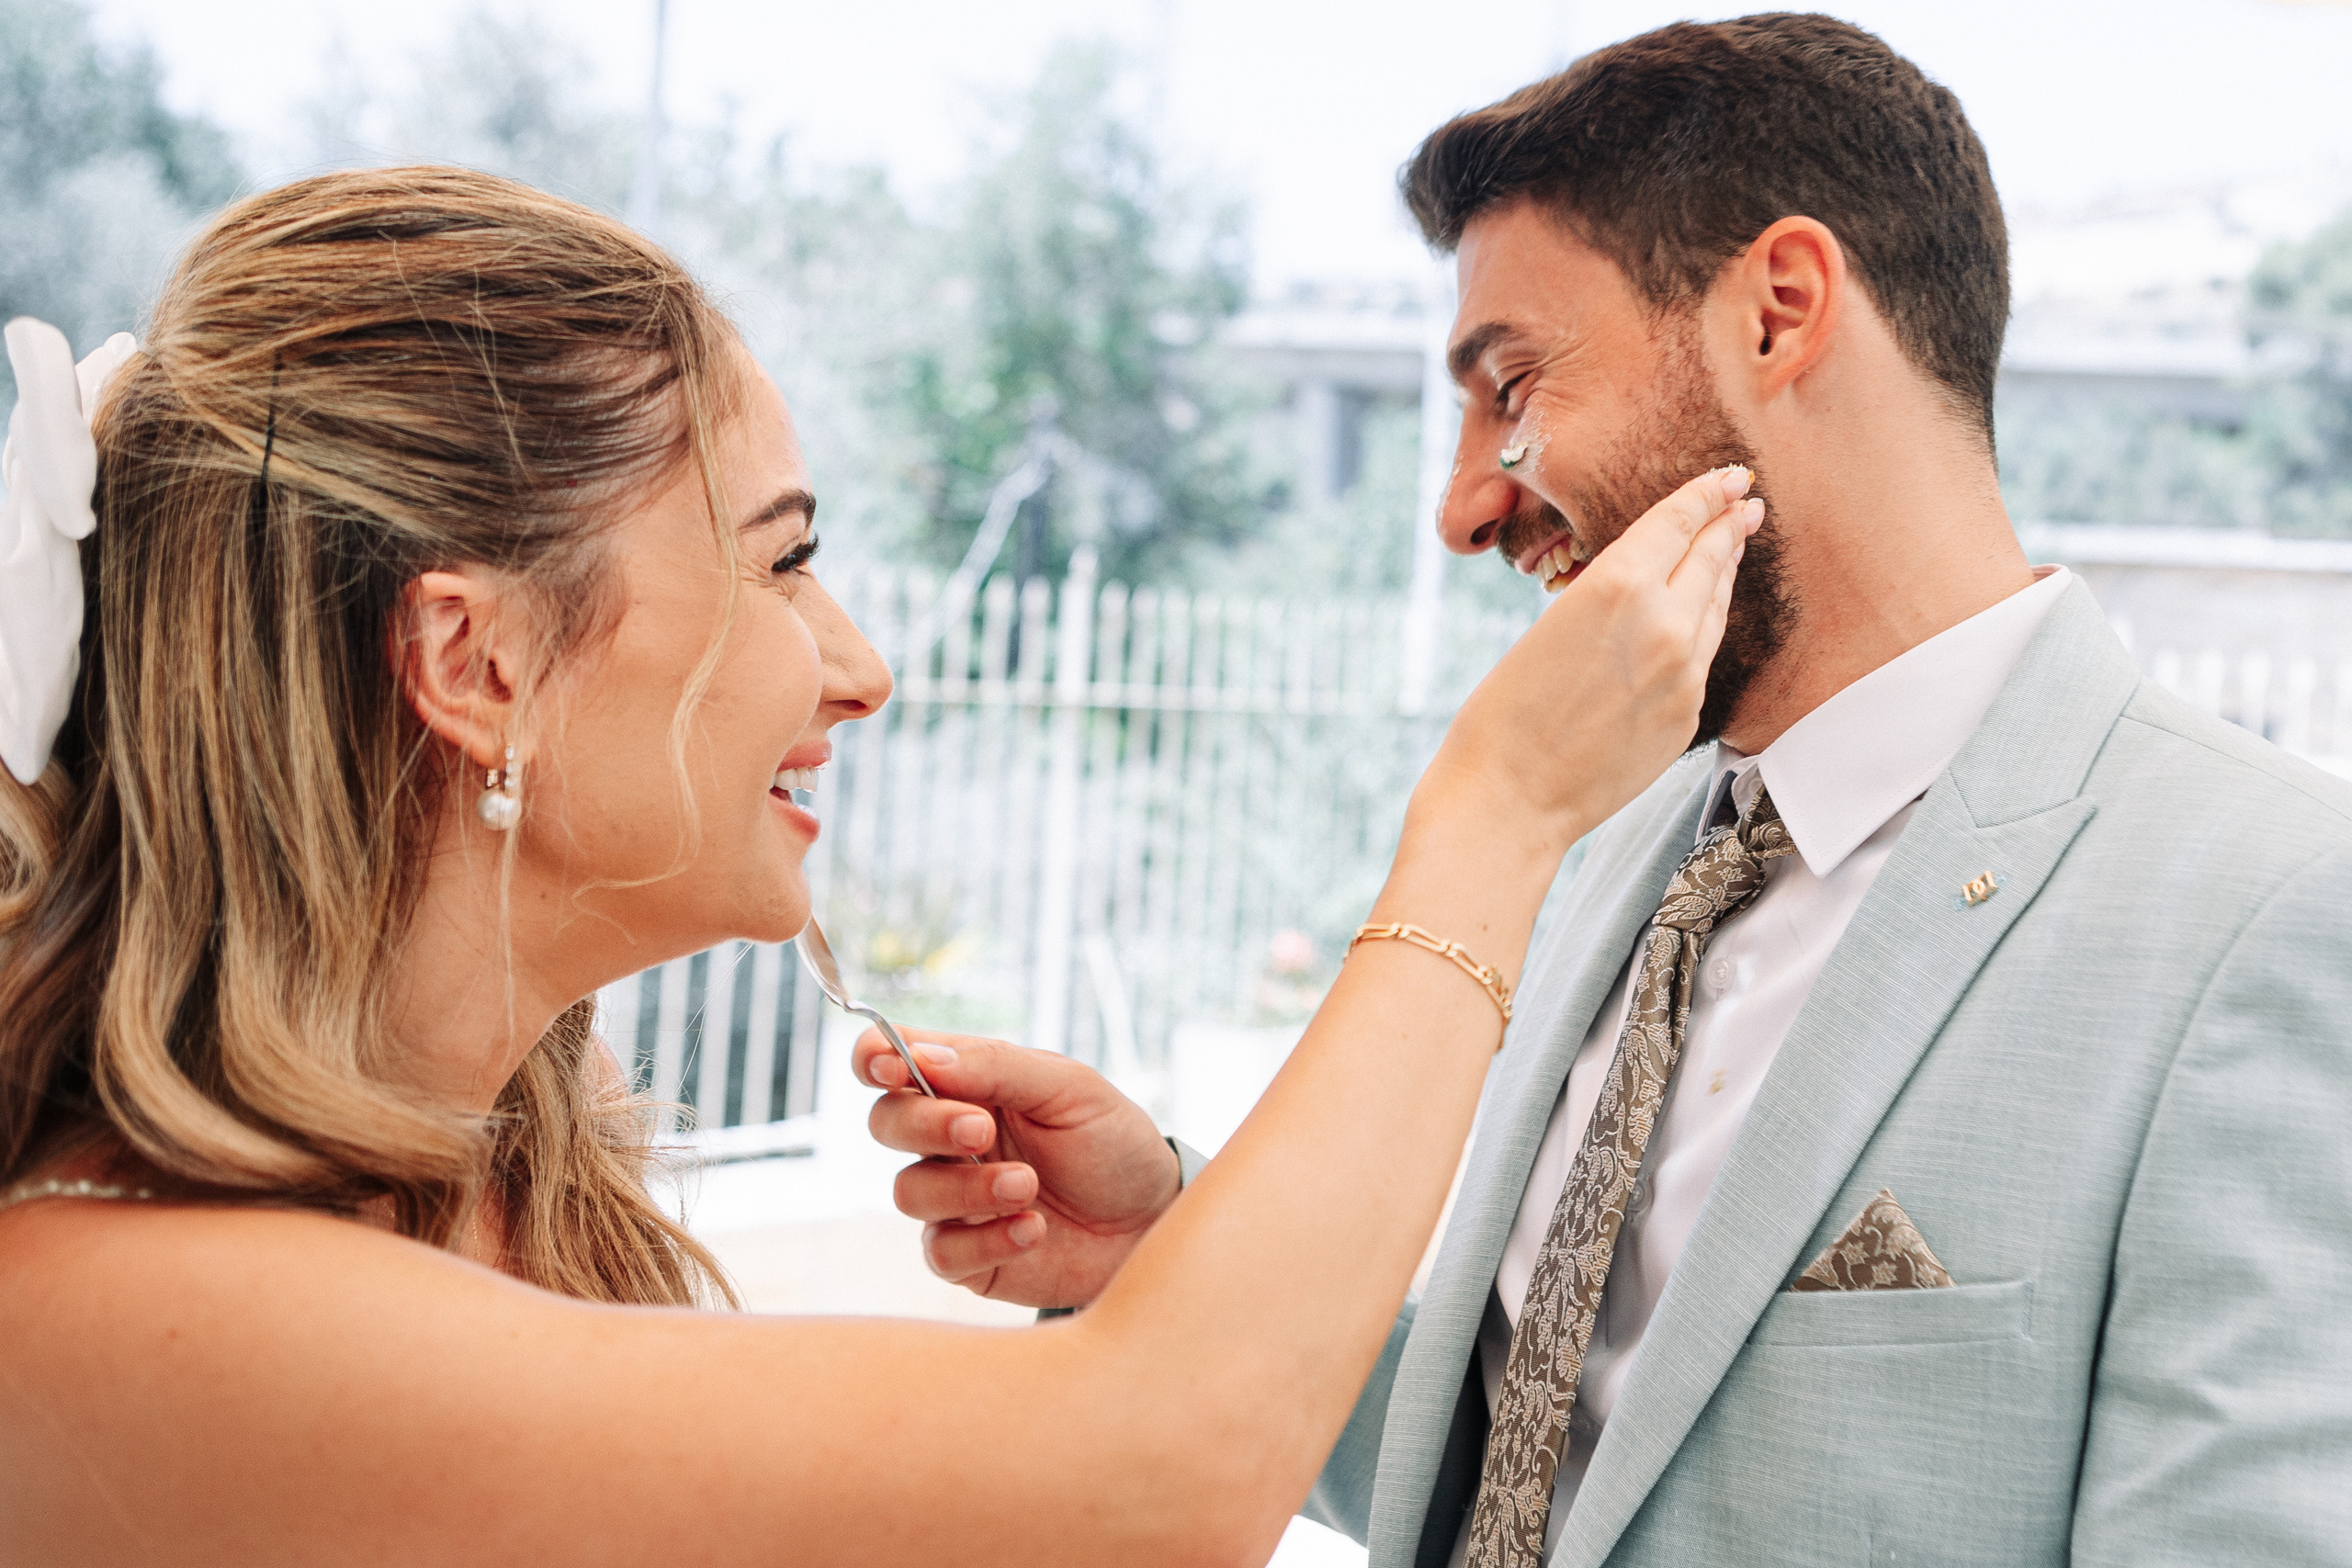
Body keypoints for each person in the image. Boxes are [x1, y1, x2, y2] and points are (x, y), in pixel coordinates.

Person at [0, 165, 1757, 1564]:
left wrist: (1157, 1240)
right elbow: (1153, 1477)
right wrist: (1493, 821)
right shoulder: (107, 1311)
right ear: (476, 667)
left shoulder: (510, 1187)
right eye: (782, 561)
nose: (858, 665)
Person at [866, 16, 2352, 1566]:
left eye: (1511, 383)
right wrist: (1168, 1240)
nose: (1461, 507)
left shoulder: (2280, 914)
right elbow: (1552, 1458)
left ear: (1779, 313)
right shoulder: (1628, 850)